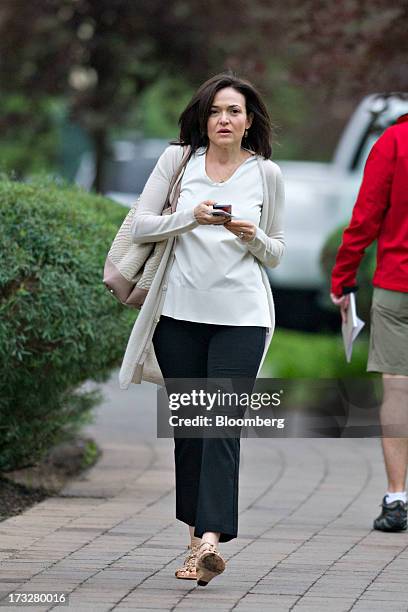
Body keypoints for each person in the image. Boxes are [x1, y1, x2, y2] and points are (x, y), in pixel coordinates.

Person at [121, 72, 285, 585]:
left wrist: (251, 233)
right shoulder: (179, 162)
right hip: (178, 317)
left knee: (220, 428)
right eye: (216, 111)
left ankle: (212, 539)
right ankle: (195, 545)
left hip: (241, 318)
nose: (224, 119)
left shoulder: (267, 175)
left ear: (249, 120)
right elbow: (141, 223)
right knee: (192, 432)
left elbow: (277, 252)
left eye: (234, 111)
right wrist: (189, 217)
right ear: (203, 117)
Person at [330, 114, 408, 532]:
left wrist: (343, 277)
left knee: (397, 387)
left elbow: (365, 219)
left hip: (398, 285)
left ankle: (397, 498)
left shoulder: (394, 142)